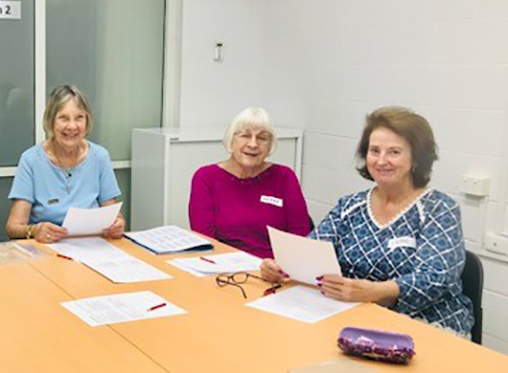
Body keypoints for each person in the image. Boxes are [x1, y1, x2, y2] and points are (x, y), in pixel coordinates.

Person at [260, 107, 474, 336]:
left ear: (416, 159)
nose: (381, 161)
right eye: (374, 151)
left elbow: (434, 279)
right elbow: (311, 250)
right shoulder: (350, 205)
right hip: (353, 315)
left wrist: (373, 292)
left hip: (426, 324)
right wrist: (281, 267)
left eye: (394, 152)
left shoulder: (439, 209)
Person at [5, 85, 125, 243]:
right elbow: (13, 227)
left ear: (87, 122)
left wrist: (117, 225)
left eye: (79, 118)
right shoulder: (31, 160)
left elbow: (113, 215)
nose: (72, 126)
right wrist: (35, 230)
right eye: (64, 118)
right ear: (51, 121)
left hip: (93, 247)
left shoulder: (100, 157)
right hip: (47, 248)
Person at [188, 107, 309, 258]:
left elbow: (300, 235)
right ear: (231, 139)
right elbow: (205, 240)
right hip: (224, 265)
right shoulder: (206, 177)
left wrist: (278, 266)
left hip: (275, 266)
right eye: (245, 135)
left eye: (262, 138)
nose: (253, 144)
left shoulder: (285, 177)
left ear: (270, 145)